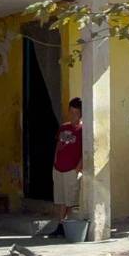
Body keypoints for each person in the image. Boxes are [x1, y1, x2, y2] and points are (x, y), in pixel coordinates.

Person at [46, 98, 83, 238]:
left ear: (81, 114)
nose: (73, 115)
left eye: (76, 113)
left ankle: (66, 225)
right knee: (60, 199)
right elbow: (58, 145)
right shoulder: (63, 127)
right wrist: (55, 160)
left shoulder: (83, 130)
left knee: (70, 200)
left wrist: (78, 168)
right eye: (71, 112)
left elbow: (85, 151)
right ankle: (60, 225)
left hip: (71, 170)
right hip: (58, 169)